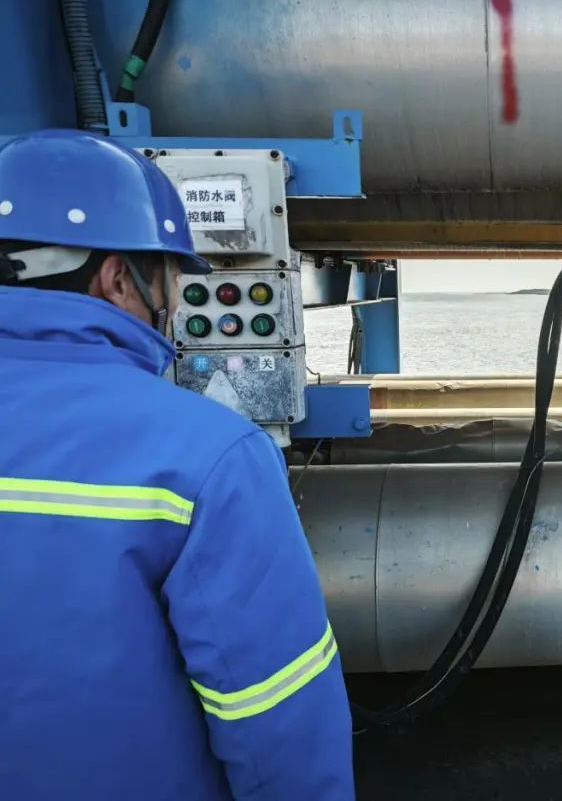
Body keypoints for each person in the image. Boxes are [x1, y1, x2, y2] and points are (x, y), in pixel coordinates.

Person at [0, 130, 354, 799]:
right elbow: (272, 710)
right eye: (171, 281)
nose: (172, 306)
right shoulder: (208, 453)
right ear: (117, 279)